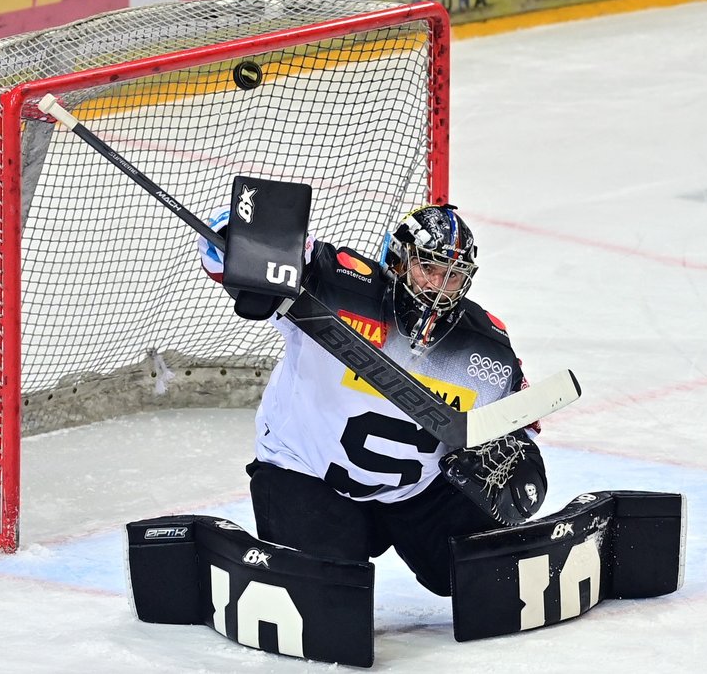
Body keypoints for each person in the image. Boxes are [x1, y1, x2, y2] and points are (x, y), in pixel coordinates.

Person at [198, 203, 546, 597]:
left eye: (453, 276)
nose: (438, 285)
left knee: (475, 580)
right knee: (326, 597)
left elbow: (520, 427)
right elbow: (227, 247)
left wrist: (522, 463)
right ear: (397, 261)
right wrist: (240, 242)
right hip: (306, 473)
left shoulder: (485, 347)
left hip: (417, 492)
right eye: (428, 268)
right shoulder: (333, 281)